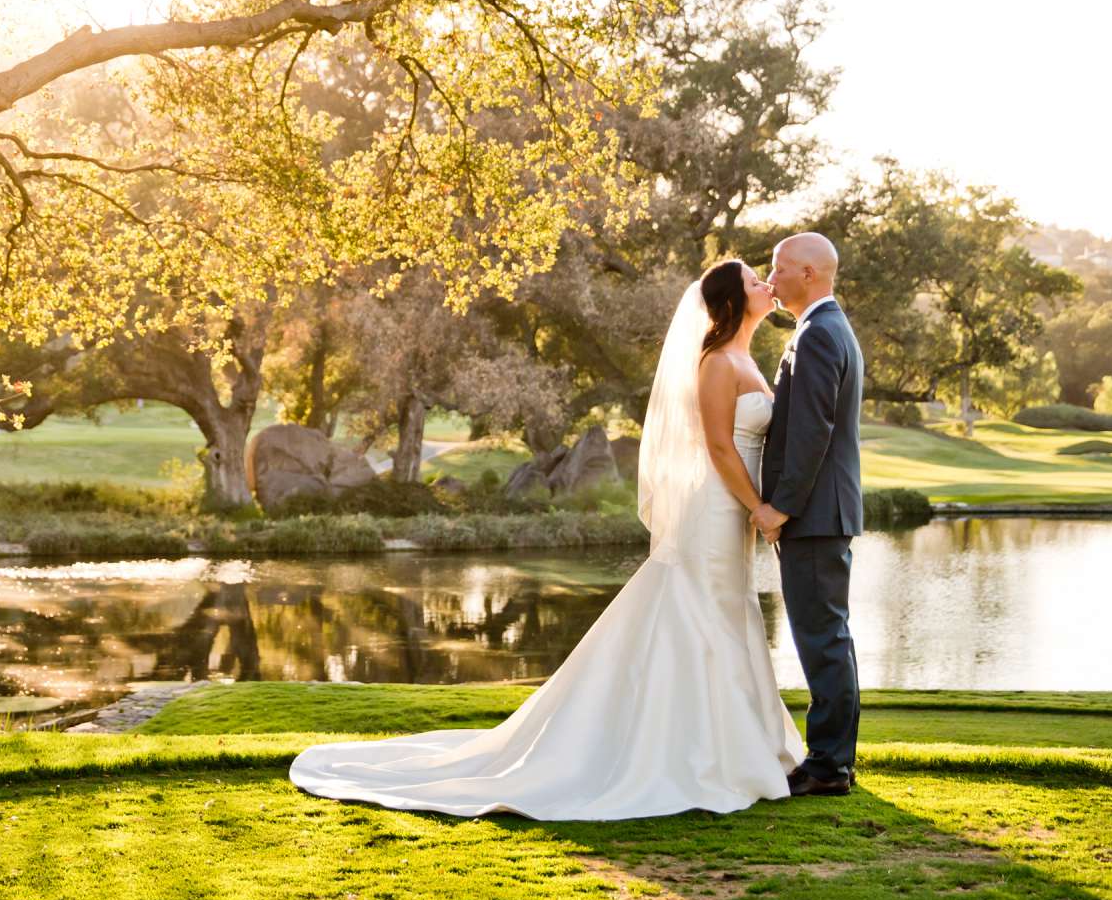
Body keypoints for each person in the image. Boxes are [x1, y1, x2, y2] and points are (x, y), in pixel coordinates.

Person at [286, 259, 802, 819]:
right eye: (755, 280)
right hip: (715, 508)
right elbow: (721, 449)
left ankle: (733, 745)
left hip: (732, 512)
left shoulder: (747, 357)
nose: (765, 284)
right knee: (703, 614)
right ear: (731, 302)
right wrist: (759, 508)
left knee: (725, 614)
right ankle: (699, 755)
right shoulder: (716, 364)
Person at [753, 231, 866, 797]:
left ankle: (828, 766)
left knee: (822, 640)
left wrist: (780, 508)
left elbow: (811, 434)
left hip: (815, 517)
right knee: (828, 638)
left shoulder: (820, 334)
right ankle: (834, 757)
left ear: (808, 275)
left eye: (777, 269)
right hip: (823, 516)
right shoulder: (821, 328)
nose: (769, 279)